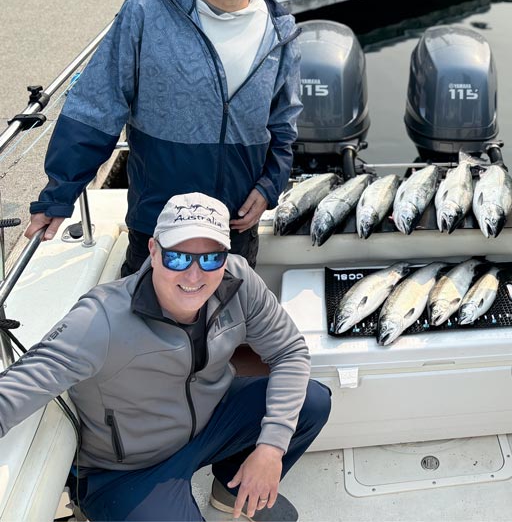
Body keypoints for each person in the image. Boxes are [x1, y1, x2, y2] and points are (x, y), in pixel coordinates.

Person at [0, 192, 329, 520]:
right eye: (178, 258)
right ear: (154, 252)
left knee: (312, 402)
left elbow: (290, 352)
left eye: (211, 258)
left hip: (208, 423)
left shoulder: (240, 281)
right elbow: (12, 392)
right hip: (126, 468)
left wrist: (271, 448)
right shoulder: (99, 320)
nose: (194, 276)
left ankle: (230, 490)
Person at [26, 0, 302, 275]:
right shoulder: (145, 11)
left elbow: (283, 126)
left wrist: (270, 186)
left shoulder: (281, 33)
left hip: (233, 225)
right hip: (156, 223)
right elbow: (97, 107)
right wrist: (59, 195)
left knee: (225, 326)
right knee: (145, 326)